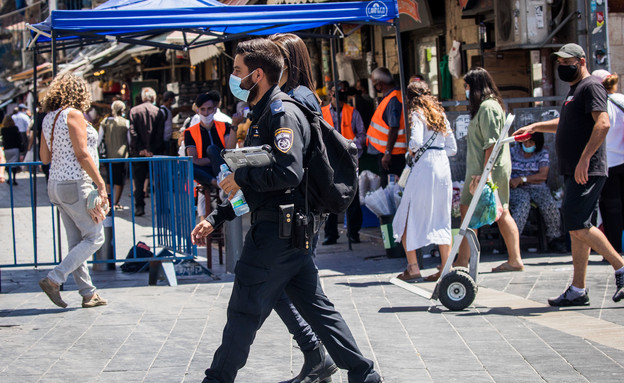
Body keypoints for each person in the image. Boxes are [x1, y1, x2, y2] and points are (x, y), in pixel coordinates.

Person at [191, 38, 382, 383]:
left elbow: (286, 173)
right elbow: (259, 184)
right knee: (318, 310)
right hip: (287, 230)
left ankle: (216, 379)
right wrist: (217, 216)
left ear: (258, 74)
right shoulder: (264, 112)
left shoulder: (282, 113)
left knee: (243, 310)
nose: (233, 78)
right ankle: (362, 372)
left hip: (275, 233)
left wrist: (241, 173)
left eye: (237, 71)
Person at [514, 43, 624, 306]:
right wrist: (536, 126)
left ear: (582, 61)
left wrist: (585, 159)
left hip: (586, 169)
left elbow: (603, 123)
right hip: (576, 169)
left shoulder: (591, 87)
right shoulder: (575, 91)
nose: (563, 67)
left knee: (576, 224)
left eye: (568, 62)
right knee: (578, 228)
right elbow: (566, 124)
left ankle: (620, 266)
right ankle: (578, 290)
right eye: (560, 63)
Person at [269, 32, 339, 383]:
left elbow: (293, 160)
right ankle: (320, 358)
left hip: (298, 210)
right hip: (299, 209)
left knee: (282, 286)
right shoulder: (301, 96)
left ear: (287, 61)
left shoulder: (296, 99)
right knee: (297, 288)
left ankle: (324, 357)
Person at [37, 74, 109, 309]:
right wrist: (101, 184)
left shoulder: (48, 118)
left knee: (76, 241)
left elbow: (44, 157)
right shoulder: (74, 114)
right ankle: (54, 278)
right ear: (79, 93)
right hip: (76, 183)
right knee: (95, 237)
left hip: (56, 185)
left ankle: (88, 294)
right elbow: (82, 154)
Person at [456, 67, 524, 273]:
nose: (465, 91)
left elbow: (492, 144)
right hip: (481, 169)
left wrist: (487, 174)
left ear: (475, 87)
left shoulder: (488, 108)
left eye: (467, 86)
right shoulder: (487, 107)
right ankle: (464, 259)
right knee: (492, 211)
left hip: (485, 170)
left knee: (497, 210)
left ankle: (464, 259)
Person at [393, 81, 457, 282]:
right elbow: (452, 148)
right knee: (441, 216)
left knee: (406, 214)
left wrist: (413, 151)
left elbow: (416, 141)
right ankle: (446, 266)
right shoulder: (441, 115)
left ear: (410, 98)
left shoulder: (417, 113)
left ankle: (413, 267)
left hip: (424, 169)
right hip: (442, 167)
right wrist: (437, 153)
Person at [321, 82, 366, 245]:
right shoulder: (322, 112)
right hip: (328, 161)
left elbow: (362, 135)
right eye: (335, 93)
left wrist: (352, 144)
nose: (338, 97)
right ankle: (330, 234)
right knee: (329, 198)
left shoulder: (352, 113)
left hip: (348, 160)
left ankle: (354, 233)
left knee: (352, 198)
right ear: (330, 94)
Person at [508, 132, 565, 252]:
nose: (527, 144)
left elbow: (543, 175)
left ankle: (554, 238)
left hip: (537, 187)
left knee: (550, 205)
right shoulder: (513, 152)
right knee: (522, 204)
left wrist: (522, 179)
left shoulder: (542, 153)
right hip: (516, 189)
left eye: (531, 142)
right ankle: (513, 241)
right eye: (525, 141)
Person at [591, 69, 624, 254]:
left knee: (611, 208)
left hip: (607, 163)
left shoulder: (600, 104)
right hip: (622, 160)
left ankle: (614, 249)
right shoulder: (622, 100)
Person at [184, 91, 236, 188]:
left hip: (224, 167)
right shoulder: (190, 132)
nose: (206, 113)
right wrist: (213, 159)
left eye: (209, 109)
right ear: (197, 111)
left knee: (211, 149)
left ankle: (221, 181)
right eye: (202, 109)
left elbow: (230, 149)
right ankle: (218, 183)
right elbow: (194, 159)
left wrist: (234, 127)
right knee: (187, 166)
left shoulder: (225, 126)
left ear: (215, 109)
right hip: (205, 170)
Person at [366, 67, 407, 187]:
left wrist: (387, 153)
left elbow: (393, 127)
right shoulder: (392, 97)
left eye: (374, 83)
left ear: (380, 84)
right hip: (390, 152)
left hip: (392, 154)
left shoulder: (393, 99)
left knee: (390, 187)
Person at [129, 87, 161, 217]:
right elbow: (160, 134)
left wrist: (141, 149)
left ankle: (139, 207)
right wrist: (151, 150)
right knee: (158, 180)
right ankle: (160, 207)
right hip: (154, 153)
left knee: (139, 181)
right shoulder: (158, 111)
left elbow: (132, 132)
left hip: (139, 154)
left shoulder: (134, 111)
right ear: (153, 98)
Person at [100, 100, 130, 210]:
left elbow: (99, 140)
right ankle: (116, 202)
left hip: (108, 156)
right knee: (119, 180)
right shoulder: (126, 123)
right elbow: (129, 140)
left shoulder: (105, 122)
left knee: (109, 179)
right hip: (122, 155)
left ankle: (109, 201)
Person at [1, 115, 23, 185]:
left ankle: (9, 178)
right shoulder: (15, 128)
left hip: (7, 148)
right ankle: (14, 178)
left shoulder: (3, 129)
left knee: (8, 163)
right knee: (14, 164)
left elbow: (3, 139)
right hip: (15, 148)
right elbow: (19, 138)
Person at [157, 90, 177, 156]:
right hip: (163, 140)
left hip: (167, 139)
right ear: (169, 99)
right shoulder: (163, 111)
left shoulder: (168, 110)